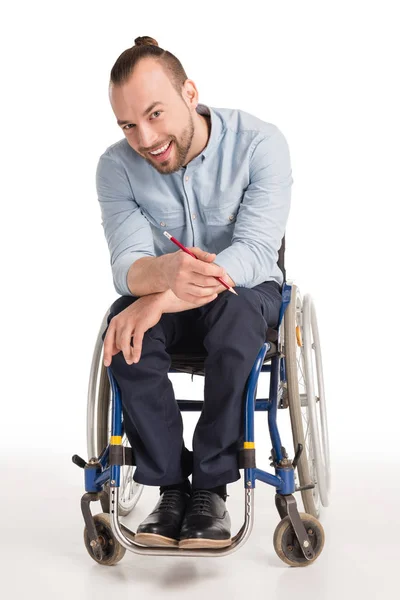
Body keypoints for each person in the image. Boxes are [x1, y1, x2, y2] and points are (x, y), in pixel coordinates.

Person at [97, 36, 293, 549]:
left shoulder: (259, 143)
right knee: (125, 330)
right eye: (128, 125)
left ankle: (210, 489)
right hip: (168, 298)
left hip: (246, 291)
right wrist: (159, 278)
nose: (145, 137)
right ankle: (168, 486)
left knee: (233, 321)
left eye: (156, 114)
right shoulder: (116, 167)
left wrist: (162, 296)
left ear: (189, 92)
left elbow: (252, 252)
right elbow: (127, 268)